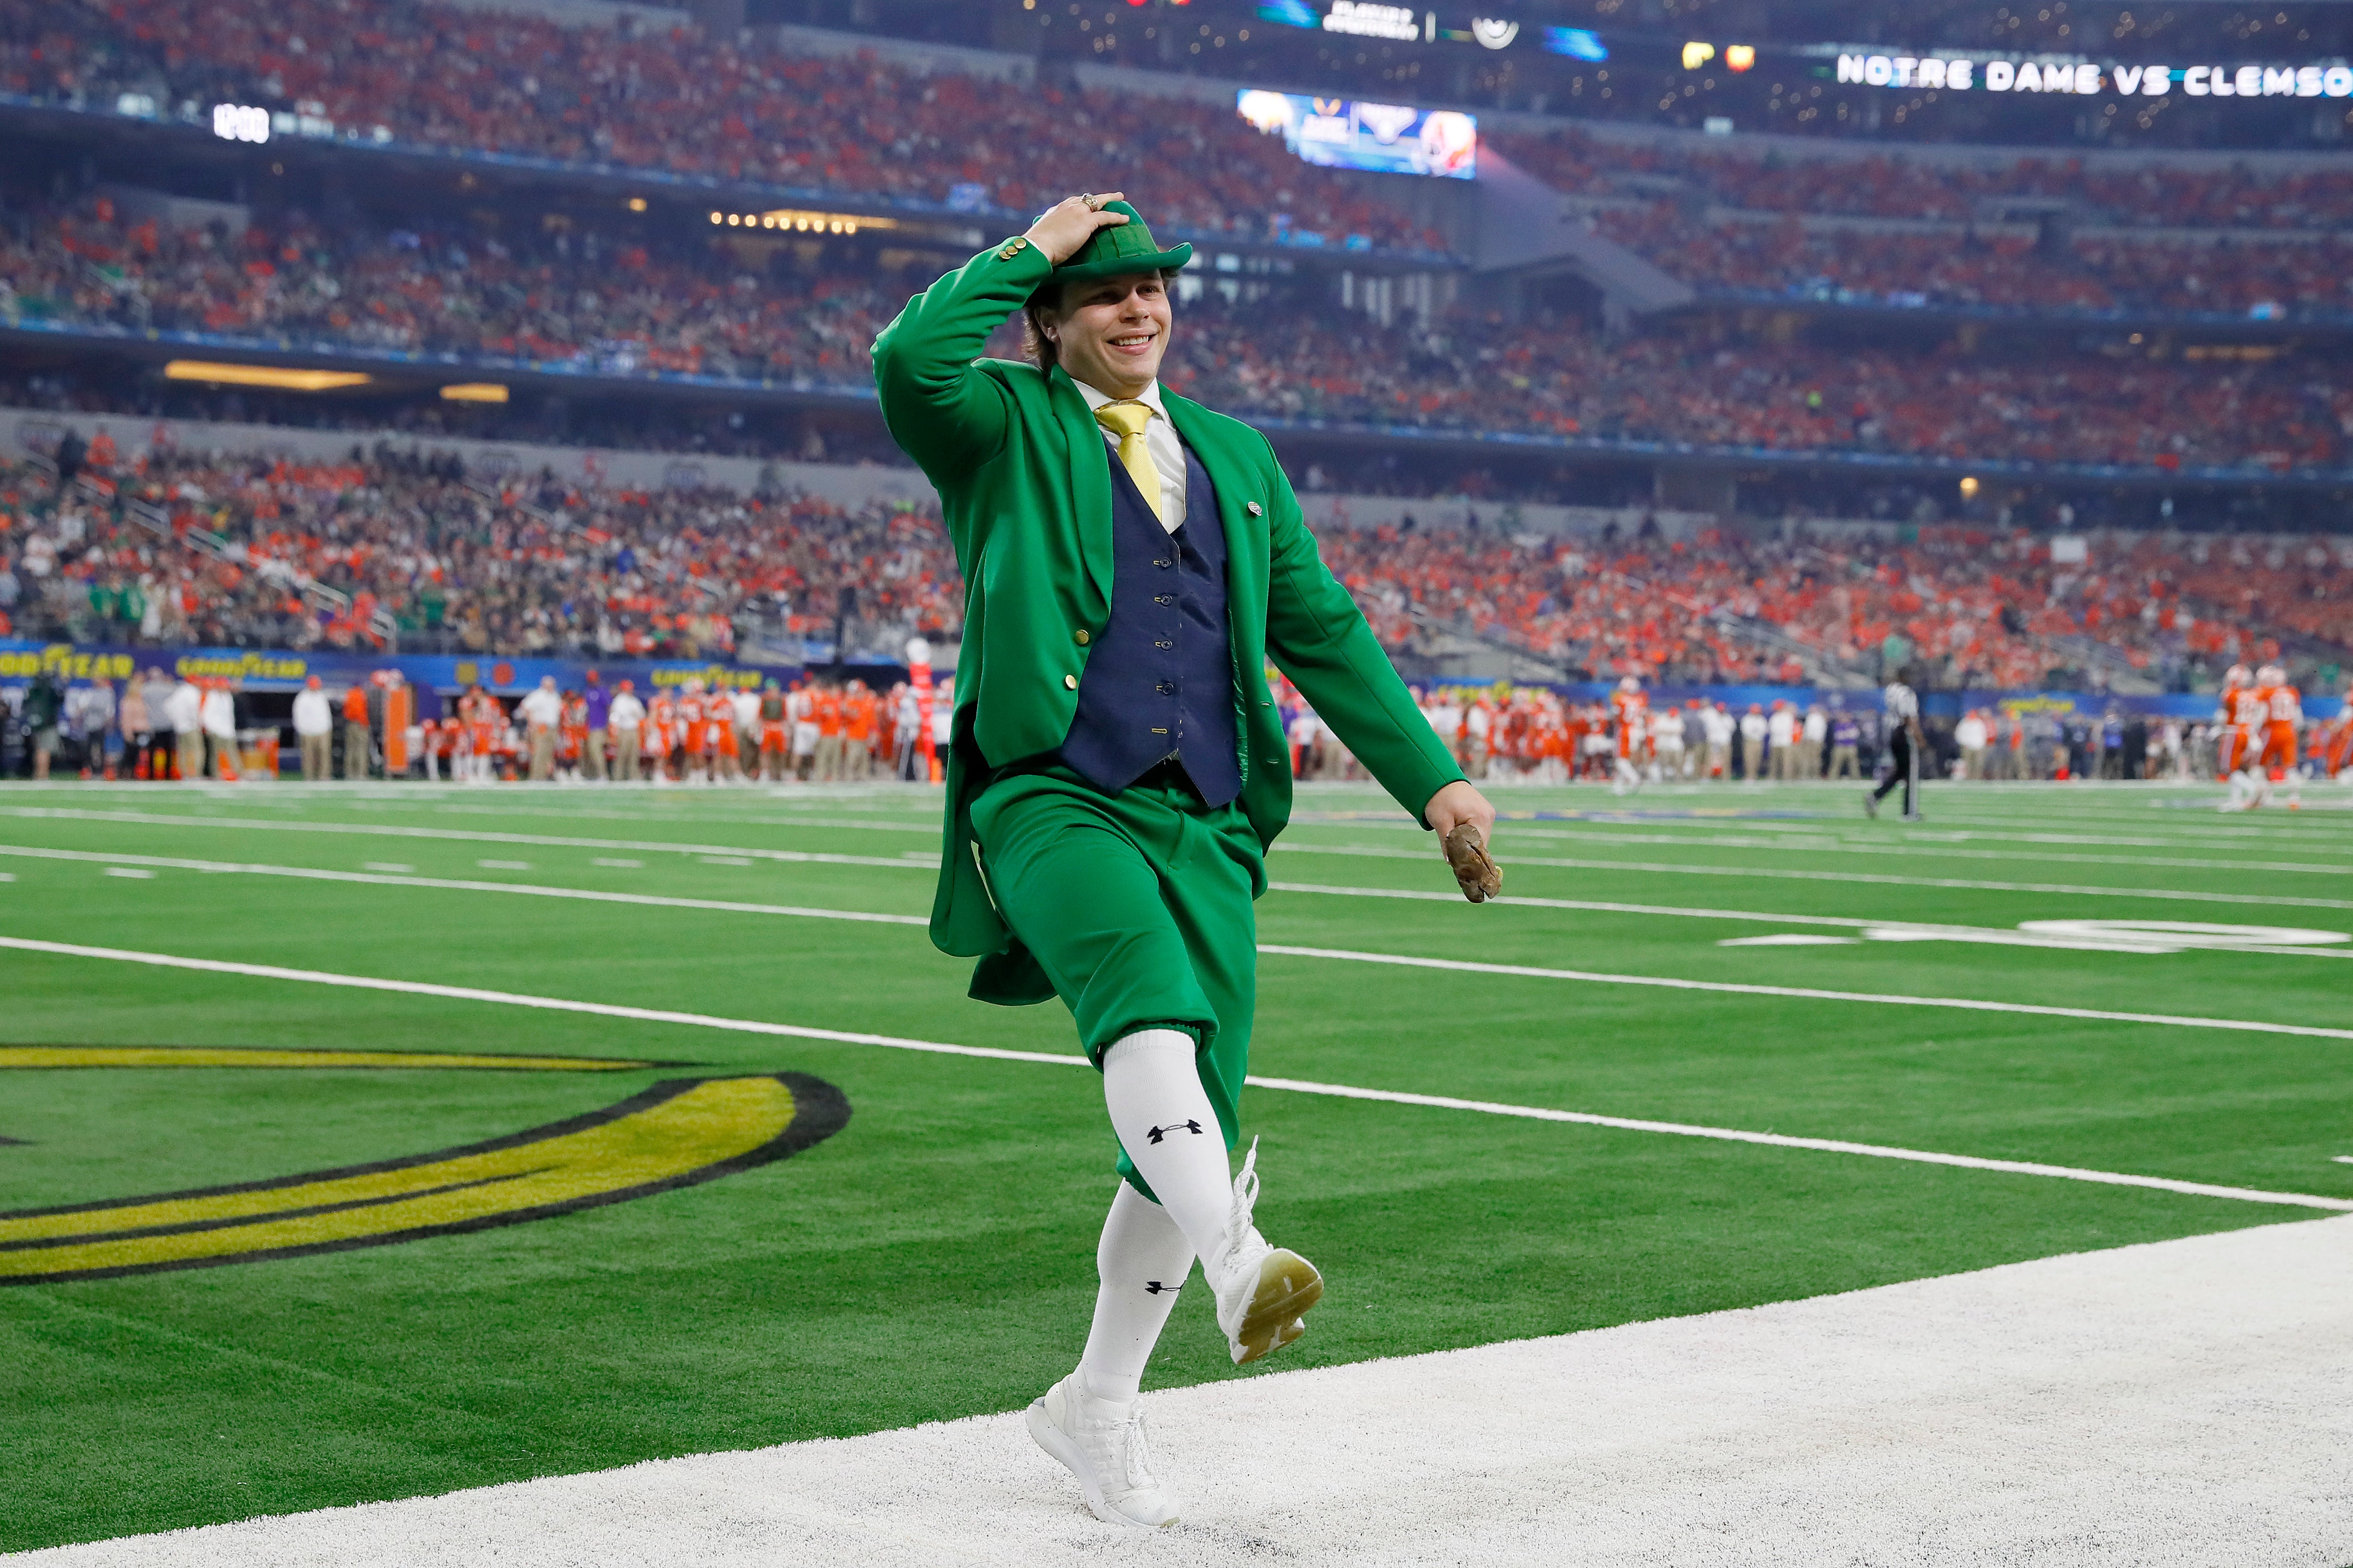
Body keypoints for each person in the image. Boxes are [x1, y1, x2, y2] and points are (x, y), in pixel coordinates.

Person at [873, 191, 1496, 1530]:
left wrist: (1434, 782)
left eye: (1154, 287)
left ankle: (1095, 1408)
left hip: (1209, 815)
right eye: (1106, 293)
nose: (1139, 307)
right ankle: (1241, 1256)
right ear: (1050, 323)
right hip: (1052, 789)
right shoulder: (999, 424)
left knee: (1194, 1100)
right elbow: (906, 363)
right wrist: (1029, 248)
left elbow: (1322, 631)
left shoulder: (1237, 456)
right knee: (1143, 1012)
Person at [1865, 672, 1925, 821]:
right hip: (1904, 734)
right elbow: (1909, 717)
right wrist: (1920, 738)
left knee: (1900, 772)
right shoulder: (1907, 693)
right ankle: (1909, 812)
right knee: (1911, 774)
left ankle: (1876, 796)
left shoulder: (1891, 690)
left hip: (1893, 733)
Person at [21, 670, 63, 781]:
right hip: (47, 724)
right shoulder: (49, 691)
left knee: (39, 749)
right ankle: (43, 775)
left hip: (35, 724)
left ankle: (38, 773)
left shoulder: (32, 690)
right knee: (45, 750)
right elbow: (59, 700)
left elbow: (25, 706)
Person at [520, 675, 564, 781]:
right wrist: (532, 722)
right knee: (539, 753)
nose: (551, 687)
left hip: (553, 728)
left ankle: (544, 777)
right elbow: (525, 707)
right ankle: (536, 778)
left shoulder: (555, 696)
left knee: (549, 754)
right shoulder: (538, 695)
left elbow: (558, 713)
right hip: (542, 727)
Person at [292, 675, 334, 781]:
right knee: (309, 756)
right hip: (308, 732)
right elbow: (298, 716)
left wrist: (328, 728)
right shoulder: (302, 698)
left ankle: (324, 776)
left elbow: (326, 713)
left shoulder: (322, 696)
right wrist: (302, 730)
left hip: (323, 731)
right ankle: (309, 777)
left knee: (325, 755)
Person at [1609, 675, 1646, 795]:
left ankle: (1634, 778)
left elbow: (1615, 716)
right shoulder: (1640, 700)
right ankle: (1618, 787)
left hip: (1624, 730)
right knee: (1624, 759)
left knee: (1620, 760)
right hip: (1636, 730)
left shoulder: (1619, 699)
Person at [166, 671, 204, 783]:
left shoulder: (180, 691)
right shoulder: (193, 692)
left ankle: (184, 774)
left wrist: (177, 722)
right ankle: (196, 774)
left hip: (180, 727)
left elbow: (168, 707)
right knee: (198, 751)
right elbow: (195, 710)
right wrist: (196, 722)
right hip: (191, 726)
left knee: (182, 751)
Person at [609, 679, 645, 782]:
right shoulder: (619, 700)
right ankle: (617, 776)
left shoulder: (634, 701)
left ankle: (634, 776)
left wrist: (634, 714)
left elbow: (641, 714)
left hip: (634, 730)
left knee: (634, 755)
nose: (629, 691)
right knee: (622, 755)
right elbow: (617, 715)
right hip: (623, 730)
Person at [581, 670, 610, 783]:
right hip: (589, 727)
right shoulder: (588, 692)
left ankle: (603, 775)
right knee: (590, 752)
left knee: (596, 751)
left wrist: (607, 727)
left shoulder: (602, 691)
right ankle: (593, 775)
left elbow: (608, 708)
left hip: (599, 727)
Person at [342, 681, 373, 780]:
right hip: (360, 725)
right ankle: (361, 774)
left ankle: (349, 773)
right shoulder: (360, 694)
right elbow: (360, 710)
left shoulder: (349, 694)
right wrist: (364, 722)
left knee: (350, 749)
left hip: (350, 724)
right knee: (361, 749)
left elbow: (345, 711)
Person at [1955, 708, 1988, 780]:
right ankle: (1969, 778)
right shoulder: (1964, 723)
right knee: (1968, 764)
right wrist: (1964, 744)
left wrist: (1982, 745)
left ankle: (1977, 778)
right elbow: (1959, 735)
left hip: (1978, 747)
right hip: (1967, 747)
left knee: (1978, 764)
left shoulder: (1979, 723)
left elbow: (1984, 735)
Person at [1738, 703, 1767, 783]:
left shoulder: (1762, 719)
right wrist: (1755, 731)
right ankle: (1749, 776)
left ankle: (1755, 776)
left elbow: (1764, 730)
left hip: (1759, 741)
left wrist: (1756, 731)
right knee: (1749, 759)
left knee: (1757, 759)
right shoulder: (1747, 719)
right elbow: (1745, 731)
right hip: (1749, 741)